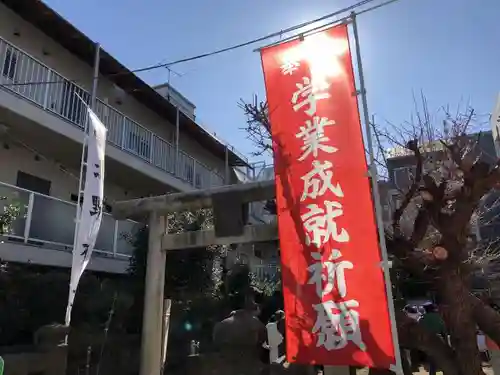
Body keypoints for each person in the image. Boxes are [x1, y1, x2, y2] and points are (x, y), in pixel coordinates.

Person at [420, 303, 447, 375]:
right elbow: (443, 331)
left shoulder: (422, 318)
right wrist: (446, 343)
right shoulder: (438, 317)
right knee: (443, 361)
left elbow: (419, 332)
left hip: (427, 342)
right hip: (438, 340)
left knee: (432, 362)